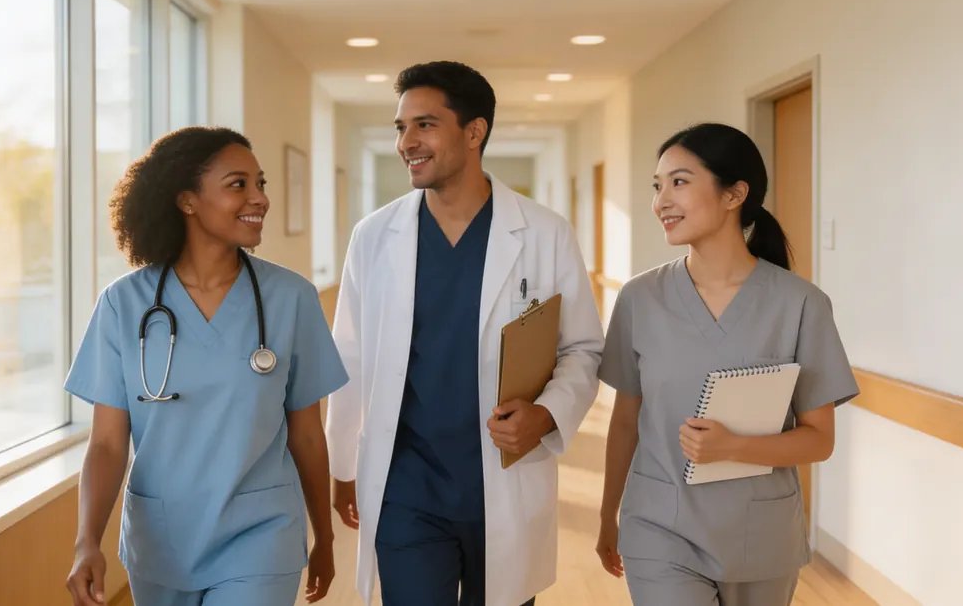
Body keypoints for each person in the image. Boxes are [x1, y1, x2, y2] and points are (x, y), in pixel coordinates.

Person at [325, 61, 605, 606]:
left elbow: (582, 348)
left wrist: (547, 414)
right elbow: (351, 356)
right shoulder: (374, 236)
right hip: (406, 487)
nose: (407, 142)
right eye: (401, 127)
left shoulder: (544, 232)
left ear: (474, 132)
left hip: (504, 474)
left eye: (425, 125)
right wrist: (343, 467)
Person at [63, 126, 348, 606]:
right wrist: (86, 540)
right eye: (239, 184)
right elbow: (108, 443)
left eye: (260, 183)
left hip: (261, 535)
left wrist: (325, 534)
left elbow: (306, 434)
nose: (260, 198)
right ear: (187, 201)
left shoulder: (291, 298)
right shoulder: (123, 304)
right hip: (161, 537)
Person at [595, 122, 860, 605]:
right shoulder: (639, 299)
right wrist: (607, 513)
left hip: (760, 534)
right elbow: (626, 419)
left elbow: (819, 439)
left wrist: (734, 446)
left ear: (735, 194)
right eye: (657, 186)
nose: (660, 201)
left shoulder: (800, 304)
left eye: (679, 182)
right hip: (658, 525)